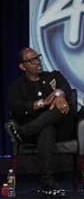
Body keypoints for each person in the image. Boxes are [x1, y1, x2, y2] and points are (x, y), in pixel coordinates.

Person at [6, 47, 76, 196]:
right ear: (22, 66)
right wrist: (42, 103)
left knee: (59, 107)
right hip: (40, 134)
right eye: (32, 60)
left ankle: (23, 132)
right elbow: (16, 107)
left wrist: (59, 95)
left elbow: (66, 89)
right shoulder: (16, 86)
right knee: (46, 128)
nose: (37, 62)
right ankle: (48, 183)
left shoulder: (53, 76)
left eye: (38, 57)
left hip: (61, 129)